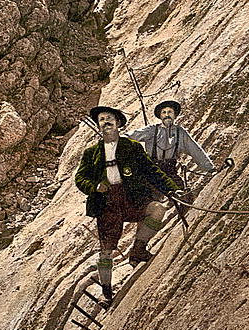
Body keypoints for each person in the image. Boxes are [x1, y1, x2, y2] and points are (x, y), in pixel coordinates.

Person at [75, 105, 183, 303]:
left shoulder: (132, 147)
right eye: (101, 120)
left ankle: (138, 249)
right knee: (106, 251)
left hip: (131, 197)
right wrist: (95, 186)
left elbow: (152, 171)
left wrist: (171, 188)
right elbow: (80, 178)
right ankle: (107, 293)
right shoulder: (91, 153)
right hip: (106, 204)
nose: (106, 122)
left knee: (158, 209)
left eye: (109, 118)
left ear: (118, 123)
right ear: (98, 126)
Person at [128, 100, 216, 198]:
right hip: (152, 172)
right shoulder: (151, 130)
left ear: (175, 115)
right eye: (164, 112)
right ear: (160, 116)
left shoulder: (180, 132)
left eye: (170, 112)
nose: (167, 115)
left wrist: (210, 169)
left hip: (171, 172)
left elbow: (195, 150)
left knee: (185, 197)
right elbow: (129, 137)